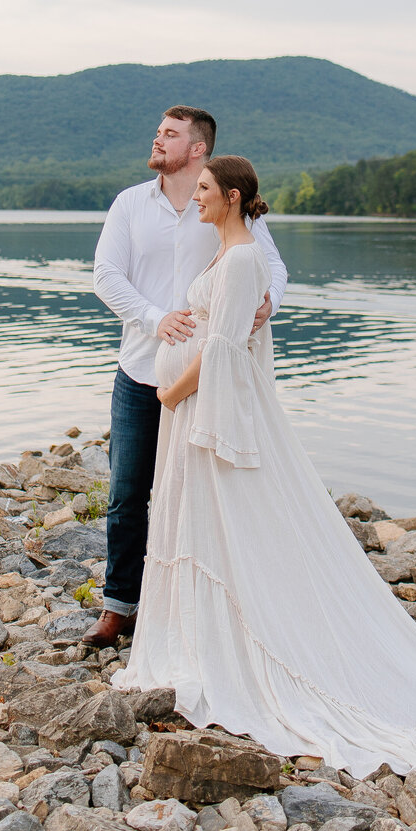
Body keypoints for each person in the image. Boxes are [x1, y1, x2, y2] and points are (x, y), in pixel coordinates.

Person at [112, 154, 416, 776]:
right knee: (202, 527)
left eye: (203, 189)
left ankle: (246, 650)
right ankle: (199, 640)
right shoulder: (226, 253)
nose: (194, 198)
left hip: (202, 412)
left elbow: (227, 349)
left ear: (231, 197)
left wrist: (170, 394)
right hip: (195, 413)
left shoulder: (243, 259)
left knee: (231, 528)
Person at [86, 107, 287, 649]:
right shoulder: (130, 204)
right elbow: (106, 276)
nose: (157, 138)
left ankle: (201, 609)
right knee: (128, 493)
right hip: (139, 371)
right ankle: (119, 608)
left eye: (169, 133)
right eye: (158, 130)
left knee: (199, 492)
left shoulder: (219, 197)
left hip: (204, 382)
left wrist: (265, 305)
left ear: (197, 148)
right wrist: (156, 318)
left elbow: (270, 267)